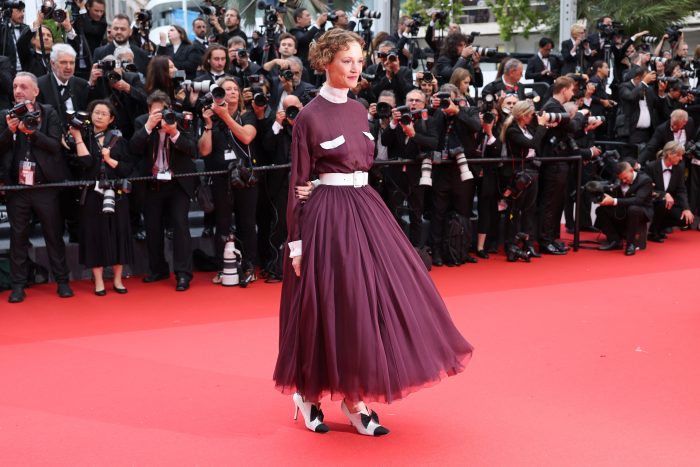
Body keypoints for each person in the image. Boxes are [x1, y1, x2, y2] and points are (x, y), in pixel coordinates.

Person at [273, 29, 472, 436]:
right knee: (333, 306)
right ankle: (308, 394)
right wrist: (296, 243)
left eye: (359, 61)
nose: (354, 68)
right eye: (347, 60)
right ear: (326, 60)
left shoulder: (361, 108)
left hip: (366, 210)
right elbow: (298, 181)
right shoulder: (308, 116)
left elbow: (364, 165)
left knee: (376, 301)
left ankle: (353, 395)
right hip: (327, 219)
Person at [0, 72, 74, 303]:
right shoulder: (5, 115)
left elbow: (55, 146)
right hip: (17, 188)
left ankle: (62, 281)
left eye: (23, 86)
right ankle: (18, 285)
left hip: (45, 187)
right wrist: (10, 131)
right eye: (15, 86)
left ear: (35, 91)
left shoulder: (48, 112)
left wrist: (32, 133)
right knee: (18, 237)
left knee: (53, 235)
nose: (18, 90)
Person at [130, 91, 198, 291]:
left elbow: (193, 149)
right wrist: (149, 127)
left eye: (163, 110)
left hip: (178, 182)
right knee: (152, 227)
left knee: (180, 224)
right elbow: (133, 148)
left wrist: (174, 133)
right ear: (149, 111)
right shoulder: (141, 122)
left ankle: (183, 274)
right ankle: (157, 268)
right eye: (155, 111)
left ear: (170, 108)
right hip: (152, 181)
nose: (160, 115)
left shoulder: (181, 120)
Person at [68, 100, 134, 295]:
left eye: (104, 114)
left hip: (117, 193)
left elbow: (127, 169)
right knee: (94, 235)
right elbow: (86, 163)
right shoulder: (85, 138)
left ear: (111, 119)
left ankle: (117, 279)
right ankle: (98, 280)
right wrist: (78, 137)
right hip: (92, 195)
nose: (99, 116)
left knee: (119, 234)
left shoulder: (120, 141)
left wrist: (109, 159)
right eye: (96, 112)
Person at [198, 76, 258, 284]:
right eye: (226, 89)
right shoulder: (211, 118)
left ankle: (249, 265)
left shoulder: (248, 115)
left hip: (245, 177)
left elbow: (247, 137)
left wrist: (226, 117)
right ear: (218, 95)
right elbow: (204, 151)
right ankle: (224, 268)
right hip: (220, 178)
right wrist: (207, 125)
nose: (232, 92)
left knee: (247, 223)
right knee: (222, 224)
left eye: (235, 89)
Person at [501, 100, 549, 260]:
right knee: (515, 211)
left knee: (530, 210)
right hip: (518, 174)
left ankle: (528, 243)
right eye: (530, 114)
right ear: (522, 115)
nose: (532, 117)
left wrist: (544, 126)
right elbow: (532, 144)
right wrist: (541, 127)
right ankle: (511, 244)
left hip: (532, 171)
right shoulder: (512, 130)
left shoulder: (527, 128)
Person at [595, 161, 654, 256]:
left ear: (631, 170)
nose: (624, 181)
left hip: (641, 211)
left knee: (633, 209)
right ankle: (615, 241)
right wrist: (604, 198)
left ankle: (631, 244)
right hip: (623, 209)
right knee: (601, 210)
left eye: (625, 178)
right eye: (621, 179)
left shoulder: (645, 180)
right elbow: (612, 189)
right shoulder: (619, 179)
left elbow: (638, 200)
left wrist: (614, 201)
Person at [644, 141, 694, 241]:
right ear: (669, 154)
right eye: (679, 155)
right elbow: (646, 188)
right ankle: (653, 232)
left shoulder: (679, 168)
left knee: (686, 219)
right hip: (653, 202)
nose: (681, 158)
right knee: (663, 202)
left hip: (669, 204)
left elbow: (681, 190)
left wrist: (686, 208)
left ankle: (659, 228)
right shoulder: (651, 167)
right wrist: (663, 194)